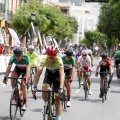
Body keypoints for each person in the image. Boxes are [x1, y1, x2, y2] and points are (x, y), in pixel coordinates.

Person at [33, 46, 64, 120]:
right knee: (44, 90)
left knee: (58, 99)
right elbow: (38, 73)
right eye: (49, 57)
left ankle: (58, 118)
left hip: (57, 77)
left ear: (56, 56)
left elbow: (62, 74)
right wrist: (35, 86)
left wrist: (61, 88)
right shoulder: (44, 59)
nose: (50, 59)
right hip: (49, 76)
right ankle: (47, 104)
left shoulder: (59, 60)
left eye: (52, 57)